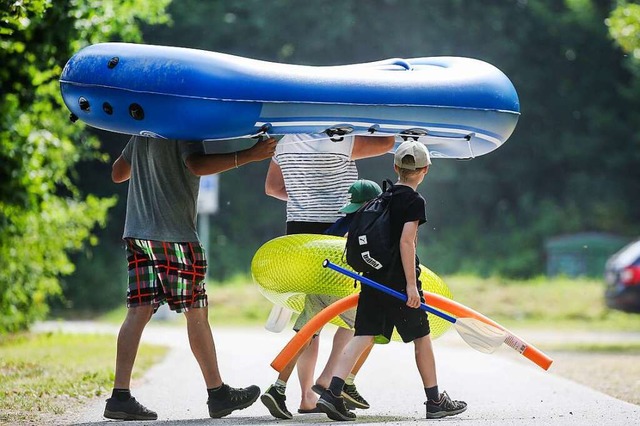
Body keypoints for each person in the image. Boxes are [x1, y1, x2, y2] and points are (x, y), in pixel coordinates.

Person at [104, 135, 277, 421]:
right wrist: (249, 154)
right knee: (196, 310)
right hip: (174, 235)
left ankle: (120, 396)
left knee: (138, 310)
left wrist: (152, 165)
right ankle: (218, 394)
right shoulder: (181, 125)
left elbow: (118, 173)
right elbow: (196, 164)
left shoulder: (142, 130)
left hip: (137, 232)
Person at [315, 140, 468, 421]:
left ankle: (332, 393)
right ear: (426, 170)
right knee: (422, 339)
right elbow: (407, 242)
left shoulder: (380, 197)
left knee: (362, 336)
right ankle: (435, 400)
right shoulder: (414, 201)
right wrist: (411, 286)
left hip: (372, 280)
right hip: (398, 283)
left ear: (395, 167)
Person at [261, 132, 395, 419]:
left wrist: (304, 196)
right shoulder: (341, 140)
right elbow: (386, 143)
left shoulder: (284, 142)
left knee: (313, 319)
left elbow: (272, 188)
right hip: (337, 235)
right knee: (354, 310)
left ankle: (306, 395)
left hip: (298, 237)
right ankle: (331, 379)